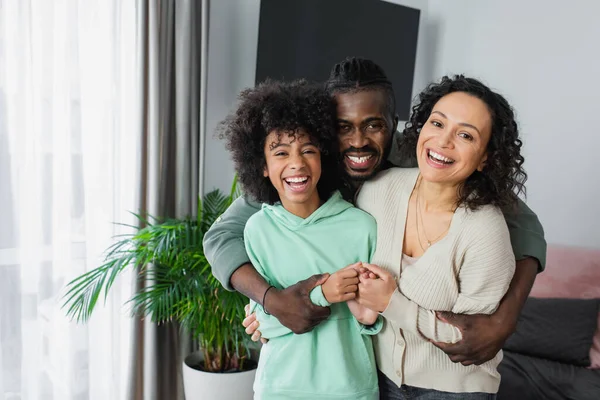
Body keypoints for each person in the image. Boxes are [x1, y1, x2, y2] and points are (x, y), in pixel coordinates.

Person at [203, 58, 546, 366]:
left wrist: (505, 319)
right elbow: (221, 236)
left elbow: (525, 224)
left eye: (374, 125)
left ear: (393, 123)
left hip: (385, 355)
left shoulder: (421, 158)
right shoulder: (301, 171)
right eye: (343, 127)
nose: (357, 142)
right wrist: (271, 301)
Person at [354, 75, 524, 398]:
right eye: (437, 123)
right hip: (376, 377)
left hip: (453, 390)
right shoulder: (376, 192)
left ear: (485, 157)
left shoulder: (486, 231)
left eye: (465, 135)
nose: (444, 142)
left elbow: (469, 341)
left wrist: (392, 303)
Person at [219, 79, 382, 399]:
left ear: (323, 156)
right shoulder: (257, 230)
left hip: (349, 389)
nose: (297, 163)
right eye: (281, 153)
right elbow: (264, 325)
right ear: (262, 166)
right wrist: (323, 294)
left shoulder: (361, 227)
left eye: (308, 150)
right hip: (279, 388)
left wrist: (366, 313)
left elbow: (371, 318)